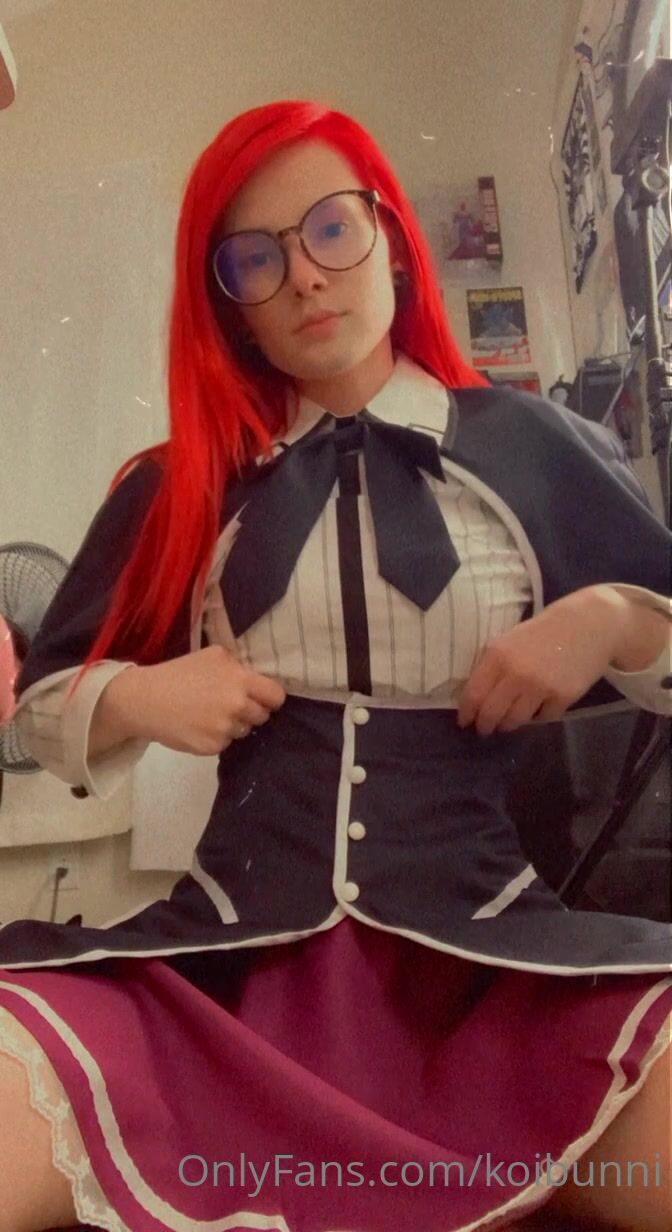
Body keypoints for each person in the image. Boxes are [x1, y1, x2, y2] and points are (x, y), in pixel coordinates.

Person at [0, 99, 670, 1232]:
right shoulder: (183, 484)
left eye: (329, 229)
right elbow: (37, 708)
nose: (305, 276)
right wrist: (140, 695)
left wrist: (612, 617)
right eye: (254, 258)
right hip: (217, 974)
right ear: (229, 302)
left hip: (494, 974)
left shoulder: (532, 446)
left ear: (391, 239)